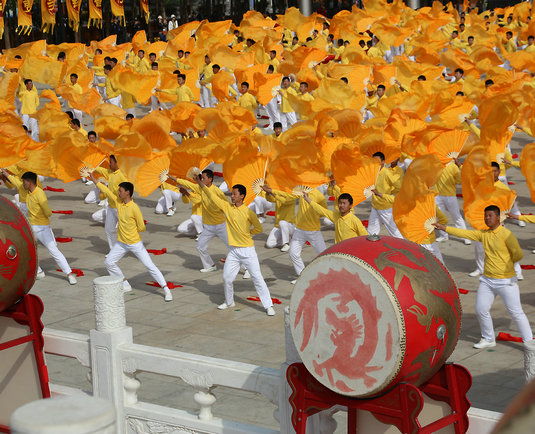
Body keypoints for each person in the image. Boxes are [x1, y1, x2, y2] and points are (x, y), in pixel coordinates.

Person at [434, 205, 532, 349]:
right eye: (486, 216)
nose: (487, 218)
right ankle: (488, 338)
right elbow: (464, 233)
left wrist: (506, 265)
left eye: (490, 215)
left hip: (506, 282)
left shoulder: (506, 235)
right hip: (487, 280)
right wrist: (444, 228)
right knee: (481, 310)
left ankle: (529, 341)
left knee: (516, 312)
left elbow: (518, 254)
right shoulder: (483, 234)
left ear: (498, 217)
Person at [194, 177, 275, 316]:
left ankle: (268, 305)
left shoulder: (248, 212)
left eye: (234, 194)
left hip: (248, 251)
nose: (231, 196)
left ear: (241, 196)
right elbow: (210, 194)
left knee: (257, 279)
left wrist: (249, 232)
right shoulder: (227, 207)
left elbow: (259, 228)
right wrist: (198, 181)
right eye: (231, 194)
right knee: (227, 278)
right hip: (233, 252)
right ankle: (229, 301)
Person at [89, 172, 172, 301]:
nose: (118, 193)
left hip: (135, 244)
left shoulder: (134, 208)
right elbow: (106, 190)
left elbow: (142, 227)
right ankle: (125, 284)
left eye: (120, 191)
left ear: (127, 192)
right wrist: (94, 180)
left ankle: (166, 289)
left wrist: (132, 230)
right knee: (109, 262)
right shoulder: (118, 203)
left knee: (150, 266)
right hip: (121, 243)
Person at [2, 170, 77, 284]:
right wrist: (4, 172)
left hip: (43, 228)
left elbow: (48, 212)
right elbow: (14, 181)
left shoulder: (40, 194)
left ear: (30, 182)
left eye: (25, 182)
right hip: (32, 228)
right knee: (27, 250)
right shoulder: (26, 191)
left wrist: (41, 213)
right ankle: (39, 272)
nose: (23, 184)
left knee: (54, 251)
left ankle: (69, 274)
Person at [169, 169, 229, 272]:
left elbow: (227, 205)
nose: (201, 180)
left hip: (220, 225)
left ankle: (246, 268)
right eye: (201, 178)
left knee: (233, 247)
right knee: (200, 246)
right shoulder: (199, 188)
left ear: (210, 179)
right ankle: (210, 265)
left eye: (203, 178)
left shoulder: (217, 191)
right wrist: (171, 176)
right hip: (208, 226)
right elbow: (185, 182)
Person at [303, 191, 368, 243]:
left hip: (351, 253)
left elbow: (365, 236)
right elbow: (321, 210)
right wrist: (307, 199)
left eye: (344, 203)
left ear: (350, 205)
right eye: (340, 203)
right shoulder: (336, 215)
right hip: (339, 250)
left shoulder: (354, 220)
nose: (341, 205)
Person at [94, 155, 128, 250]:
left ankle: (138, 248)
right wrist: (89, 166)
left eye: (111, 162)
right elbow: (99, 169)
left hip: (120, 208)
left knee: (127, 231)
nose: (109, 164)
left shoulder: (122, 175)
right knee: (109, 230)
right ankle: (113, 251)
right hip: (110, 207)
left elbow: (128, 190)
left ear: (116, 163)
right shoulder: (109, 172)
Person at [368, 153, 404, 238]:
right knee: (371, 231)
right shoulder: (372, 173)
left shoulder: (387, 173)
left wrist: (387, 193)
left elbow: (399, 187)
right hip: (375, 205)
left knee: (394, 232)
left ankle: (403, 247)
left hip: (385, 208)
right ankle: (371, 248)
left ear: (383, 161)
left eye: (377, 161)